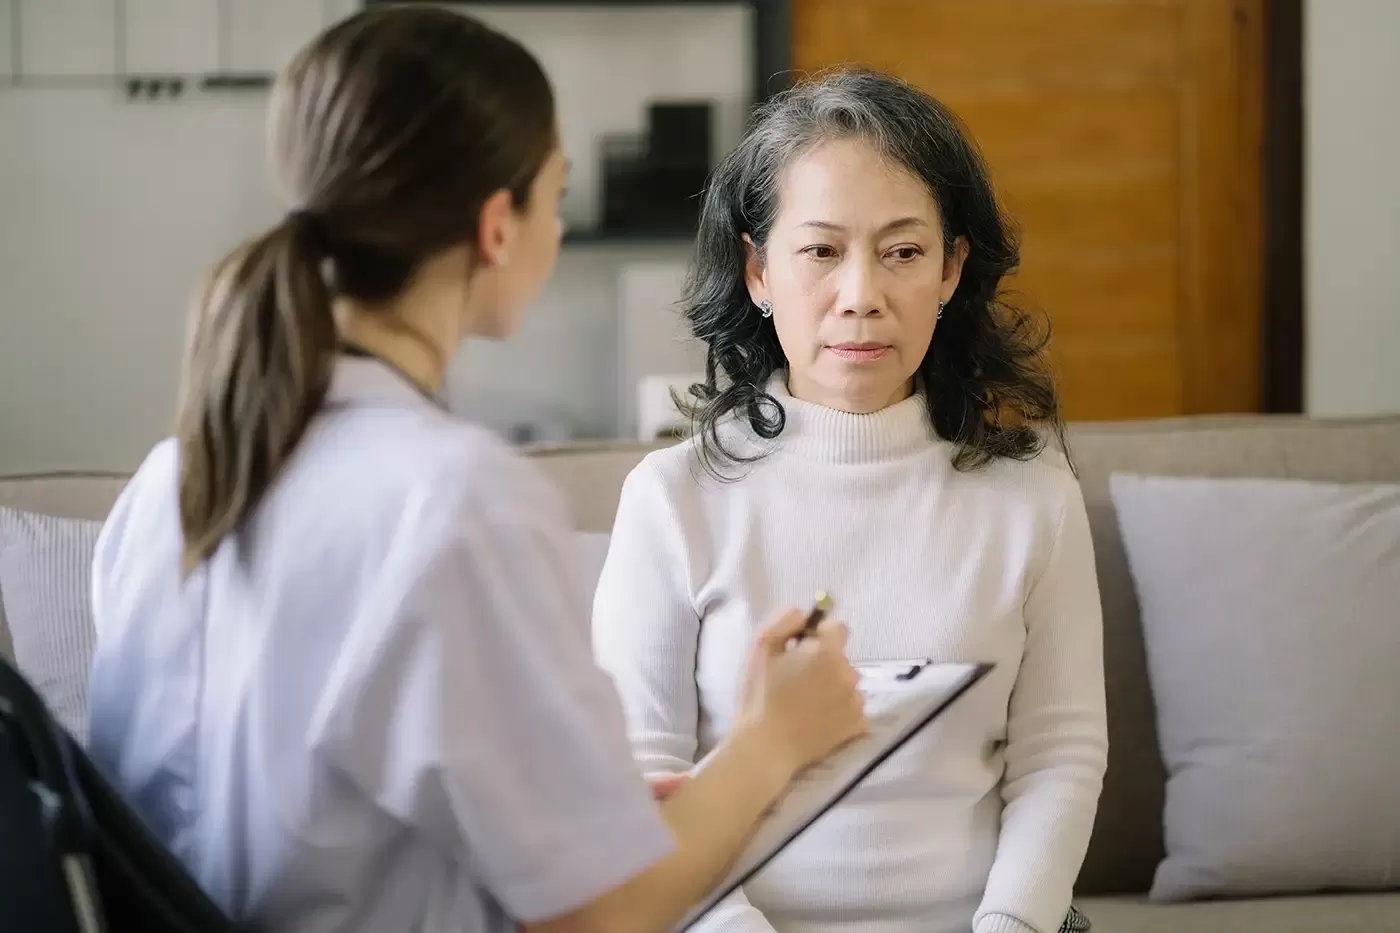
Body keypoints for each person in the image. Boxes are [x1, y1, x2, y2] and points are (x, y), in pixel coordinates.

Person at [84, 9, 868, 933]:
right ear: (499, 225)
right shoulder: (456, 501)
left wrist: (592, 816)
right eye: (556, 193)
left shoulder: (171, 482)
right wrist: (771, 744)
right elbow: (600, 917)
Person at [591, 68, 1108, 933]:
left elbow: (1061, 757)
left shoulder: (1034, 500)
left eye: (902, 252)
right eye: (821, 251)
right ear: (758, 271)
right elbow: (637, 776)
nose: (861, 294)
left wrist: (1012, 925)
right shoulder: (671, 500)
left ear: (950, 270)